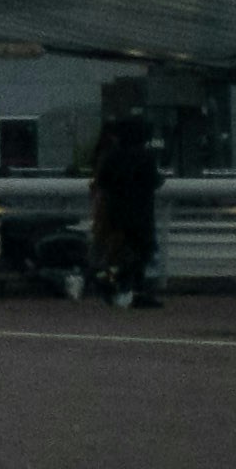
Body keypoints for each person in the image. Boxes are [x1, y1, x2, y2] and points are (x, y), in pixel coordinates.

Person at [88, 90, 169, 311]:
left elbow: (102, 182)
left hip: (115, 212)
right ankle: (134, 291)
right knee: (141, 253)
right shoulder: (144, 156)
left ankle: (111, 283)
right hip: (141, 213)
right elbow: (154, 181)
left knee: (118, 252)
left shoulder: (112, 156)